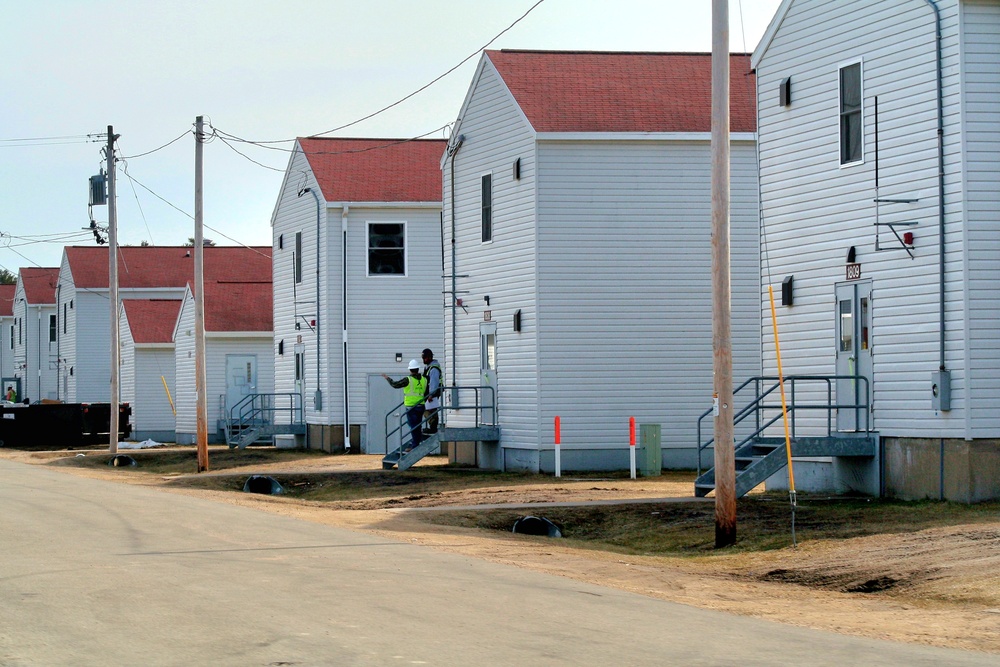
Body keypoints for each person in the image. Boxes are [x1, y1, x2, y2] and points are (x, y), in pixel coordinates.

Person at [382, 359, 427, 452]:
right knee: (417, 426)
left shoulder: (408, 379)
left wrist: (387, 378)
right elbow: (426, 392)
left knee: (413, 426)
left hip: (411, 407)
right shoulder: (424, 379)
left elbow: (395, 384)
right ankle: (416, 441)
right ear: (418, 369)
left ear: (410, 370)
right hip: (421, 406)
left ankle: (415, 445)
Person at [421, 348, 442, 434]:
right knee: (430, 409)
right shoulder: (429, 367)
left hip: (432, 393)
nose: (424, 360)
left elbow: (433, 382)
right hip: (430, 393)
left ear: (429, 357)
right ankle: (432, 427)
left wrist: (431, 395)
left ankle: (433, 427)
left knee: (429, 409)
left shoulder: (433, 369)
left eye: (425, 358)